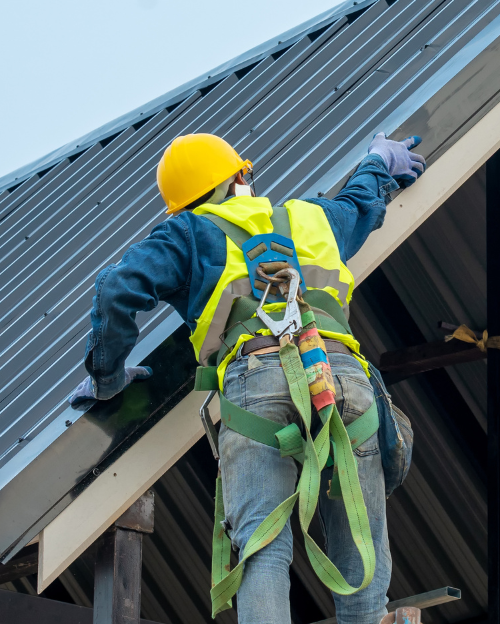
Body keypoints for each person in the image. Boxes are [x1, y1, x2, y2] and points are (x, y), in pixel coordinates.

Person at [66, 131, 426, 624]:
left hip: (255, 383)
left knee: (263, 544)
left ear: (181, 204)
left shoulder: (188, 233)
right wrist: (378, 161)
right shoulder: (309, 217)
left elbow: (116, 288)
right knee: (359, 544)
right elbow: (358, 203)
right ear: (241, 176)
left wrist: (106, 377)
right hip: (341, 378)